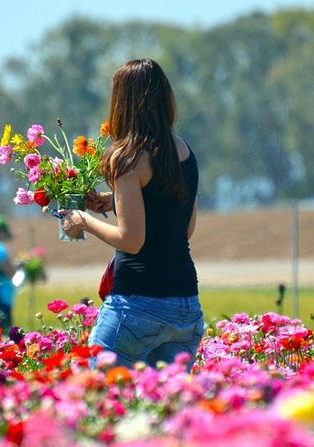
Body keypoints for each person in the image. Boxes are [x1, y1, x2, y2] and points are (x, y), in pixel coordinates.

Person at [59, 59, 202, 369]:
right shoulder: (185, 153)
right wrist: (115, 202)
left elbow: (132, 240)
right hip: (185, 307)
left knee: (100, 397)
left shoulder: (128, 156)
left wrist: (84, 220)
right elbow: (184, 226)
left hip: (137, 304)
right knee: (165, 408)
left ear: (123, 104)